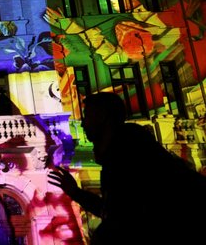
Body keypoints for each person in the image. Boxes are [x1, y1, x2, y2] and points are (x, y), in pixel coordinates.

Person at [48, 92, 206, 244]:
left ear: (103, 117)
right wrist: (75, 193)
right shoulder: (122, 151)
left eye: (87, 116)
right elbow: (113, 211)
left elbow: (128, 217)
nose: (83, 124)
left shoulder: (129, 154)